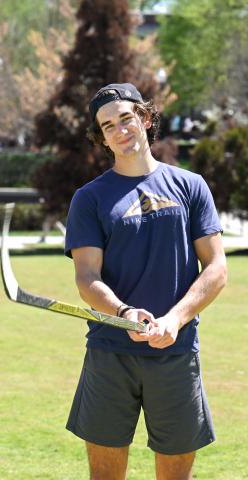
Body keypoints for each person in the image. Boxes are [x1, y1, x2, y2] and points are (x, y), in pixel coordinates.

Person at [64, 83, 228, 479]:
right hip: (110, 352)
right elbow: (87, 277)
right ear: (101, 138)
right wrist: (123, 312)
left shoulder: (190, 187)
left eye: (126, 118)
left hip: (176, 353)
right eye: (108, 126)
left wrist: (174, 319)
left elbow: (217, 269)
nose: (120, 130)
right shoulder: (90, 198)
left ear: (145, 118)